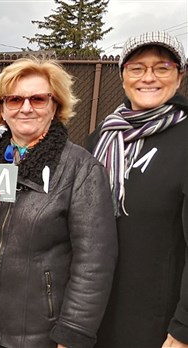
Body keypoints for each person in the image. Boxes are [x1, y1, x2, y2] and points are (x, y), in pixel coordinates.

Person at [0, 57, 117, 348]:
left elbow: (94, 263)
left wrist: (72, 335)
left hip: (42, 337)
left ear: (55, 106)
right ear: (1, 108)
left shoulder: (80, 168)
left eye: (37, 99)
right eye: (14, 99)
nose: (26, 108)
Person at [87, 31, 188, 348]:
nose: (149, 77)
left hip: (157, 325)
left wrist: (184, 327)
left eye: (162, 67)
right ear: (123, 76)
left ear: (179, 76)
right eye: (137, 68)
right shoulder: (99, 139)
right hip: (96, 316)